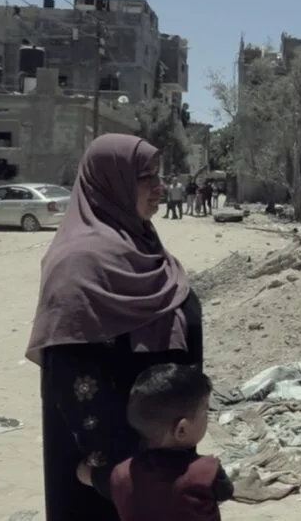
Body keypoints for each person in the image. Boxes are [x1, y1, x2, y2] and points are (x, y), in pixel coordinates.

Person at [27, 133, 203, 521]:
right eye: (146, 177)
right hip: (110, 476)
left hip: (162, 458)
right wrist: (117, 475)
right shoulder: (77, 265)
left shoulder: (143, 246)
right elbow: (74, 379)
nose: (160, 187)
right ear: (112, 183)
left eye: (159, 175)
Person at [78, 363, 233, 520]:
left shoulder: (120, 474)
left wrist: (86, 469)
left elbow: (84, 474)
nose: (208, 418)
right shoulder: (208, 471)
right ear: (182, 430)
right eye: (205, 413)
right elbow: (226, 491)